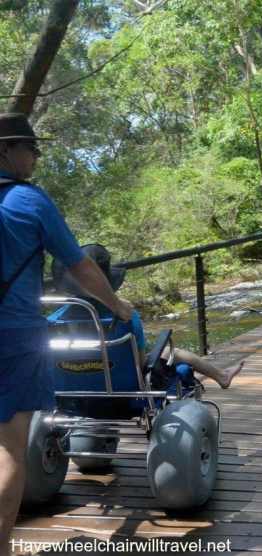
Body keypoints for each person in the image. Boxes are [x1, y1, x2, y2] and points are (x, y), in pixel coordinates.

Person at [0, 113, 134, 555]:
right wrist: (116, 305)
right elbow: (78, 265)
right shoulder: (29, 201)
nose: (36, 156)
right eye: (30, 148)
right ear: (6, 151)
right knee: (10, 451)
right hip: (14, 337)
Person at [51, 243, 244, 390]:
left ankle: (222, 375)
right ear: (107, 281)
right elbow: (139, 360)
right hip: (123, 386)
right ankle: (221, 376)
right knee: (171, 352)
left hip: (70, 386)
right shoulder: (125, 316)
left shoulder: (54, 320)